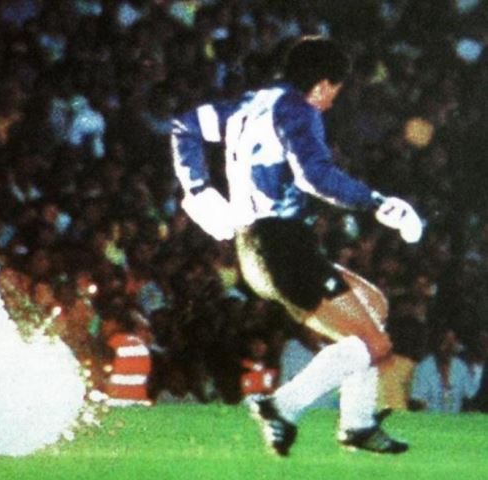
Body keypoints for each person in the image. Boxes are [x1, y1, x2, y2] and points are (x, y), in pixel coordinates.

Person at [171, 37, 423, 455]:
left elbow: (185, 125)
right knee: (377, 345)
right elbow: (315, 177)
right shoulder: (298, 109)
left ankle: (357, 423)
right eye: (335, 93)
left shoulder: (250, 103)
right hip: (280, 246)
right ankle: (281, 406)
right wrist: (379, 203)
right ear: (324, 85)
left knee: (373, 307)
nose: (330, 104)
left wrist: (196, 187)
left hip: (259, 245)